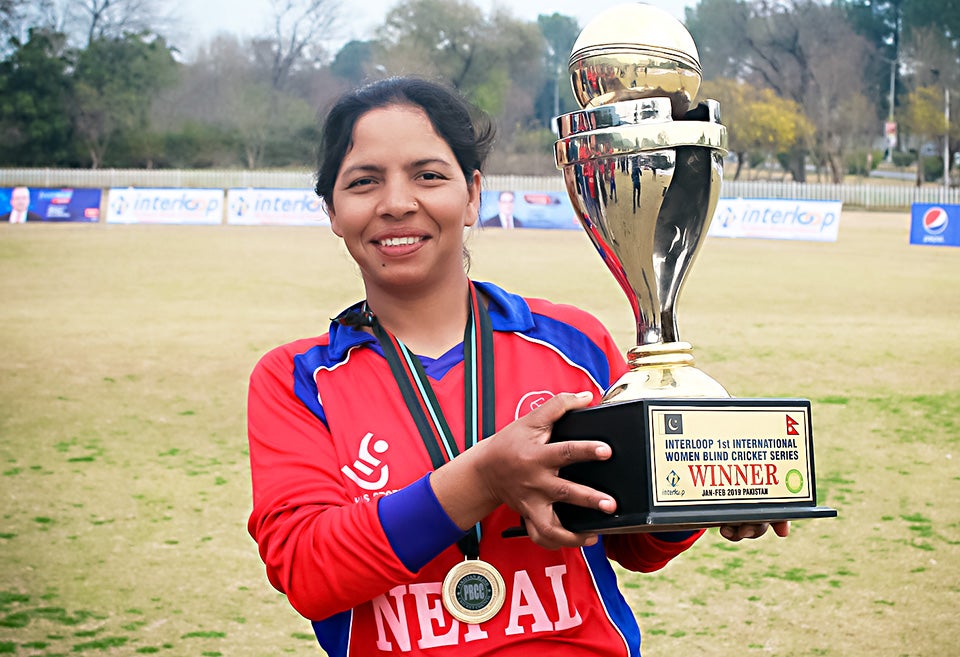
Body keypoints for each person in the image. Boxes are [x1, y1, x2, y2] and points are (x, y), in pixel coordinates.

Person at [246, 76, 787, 657]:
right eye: (364, 182)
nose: (397, 202)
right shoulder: (297, 380)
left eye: (429, 175)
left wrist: (694, 495)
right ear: (332, 209)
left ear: (473, 193)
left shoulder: (571, 343)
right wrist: (482, 479)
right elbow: (309, 573)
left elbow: (634, 547)